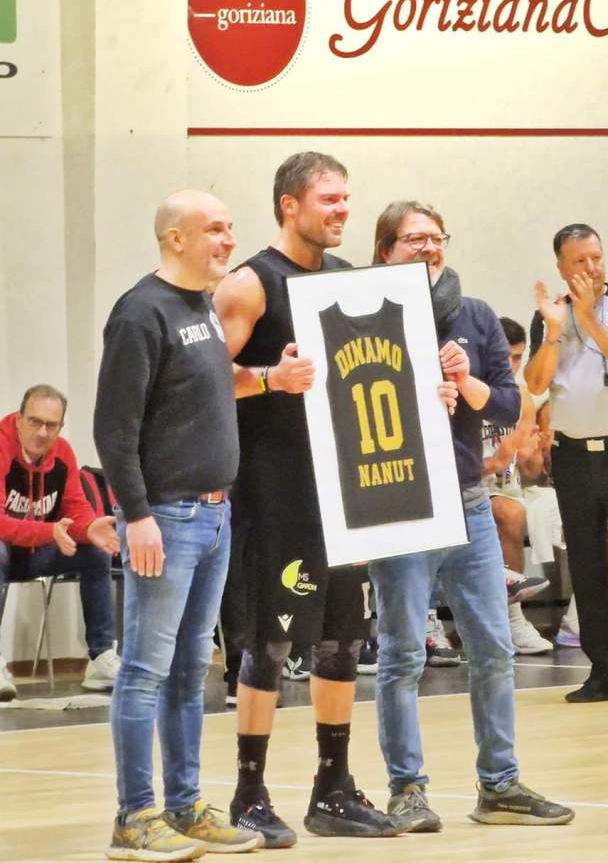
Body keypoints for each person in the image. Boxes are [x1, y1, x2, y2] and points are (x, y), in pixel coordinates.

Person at [368, 200, 574, 832]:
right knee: (402, 655)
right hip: (400, 506)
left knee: (492, 649)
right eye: (414, 239)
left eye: (437, 237)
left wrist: (468, 383)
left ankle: (499, 785)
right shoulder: (364, 316)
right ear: (385, 251)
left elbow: (508, 407)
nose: (429, 247)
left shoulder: (476, 316)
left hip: (469, 501)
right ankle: (407, 789)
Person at [213, 153, 402, 845]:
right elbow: (202, 378)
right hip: (275, 491)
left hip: (343, 493)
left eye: (346, 198)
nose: (342, 209)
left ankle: (332, 789)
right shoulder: (250, 283)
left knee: (341, 639)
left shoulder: (348, 281)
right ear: (289, 205)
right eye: (328, 199)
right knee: (269, 641)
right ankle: (248, 795)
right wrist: (271, 377)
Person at [95, 190, 261, 861]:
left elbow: (210, 388)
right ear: (176, 239)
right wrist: (136, 515)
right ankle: (134, 819)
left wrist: (270, 378)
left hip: (215, 515)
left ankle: (185, 807)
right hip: (166, 517)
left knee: (191, 671)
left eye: (230, 228)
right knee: (144, 670)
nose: (228, 240)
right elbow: (114, 428)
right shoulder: (141, 313)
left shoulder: (203, 307)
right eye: (214, 229)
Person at [525, 223, 608, 706]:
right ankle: (605, 670)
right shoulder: (549, 314)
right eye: (579, 261)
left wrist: (589, 319)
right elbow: (535, 383)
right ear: (561, 267)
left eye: (596, 257)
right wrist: (554, 331)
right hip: (572, 456)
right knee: (584, 565)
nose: (591, 268)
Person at [0, 384, 119, 701]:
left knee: (95, 550)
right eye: (35, 422)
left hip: (38, 552)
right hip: (6, 551)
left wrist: (90, 527)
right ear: (19, 419)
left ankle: (100, 657)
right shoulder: (2, 448)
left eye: (51, 425)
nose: (42, 432)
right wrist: (48, 532)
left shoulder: (62, 453)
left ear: (60, 426)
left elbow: (76, 507)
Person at [480, 318, 559, 655]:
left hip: (509, 488)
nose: (512, 365)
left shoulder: (523, 398)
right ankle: (512, 617)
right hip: (473, 487)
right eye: (506, 357)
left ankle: (576, 617)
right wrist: (499, 458)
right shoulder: (468, 390)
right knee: (509, 512)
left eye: (518, 357)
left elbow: (530, 470)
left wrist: (534, 452)